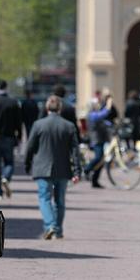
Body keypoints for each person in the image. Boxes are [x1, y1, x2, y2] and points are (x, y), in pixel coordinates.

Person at [24, 96, 82, 240]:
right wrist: (77, 171)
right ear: (60, 108)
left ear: (47, 108)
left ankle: (50, 226)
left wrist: (27, 163)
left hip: (42, 168)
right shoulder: (69, 126)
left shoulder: (38, 124)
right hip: (63, 168)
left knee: (44, 198)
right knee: (60, 201)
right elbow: (75, 151)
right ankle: (58, 229)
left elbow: (30, 147)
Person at [86, 94, 116, 188]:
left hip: (101, 139)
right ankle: (86, 169)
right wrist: (108, 106)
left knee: (101, 161)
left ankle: (95, 181)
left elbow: (106, 122)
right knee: (98, 158)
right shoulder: (92, 114)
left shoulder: (96, 113)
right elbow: (103, 115)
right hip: (96, 140)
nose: (98, 105)